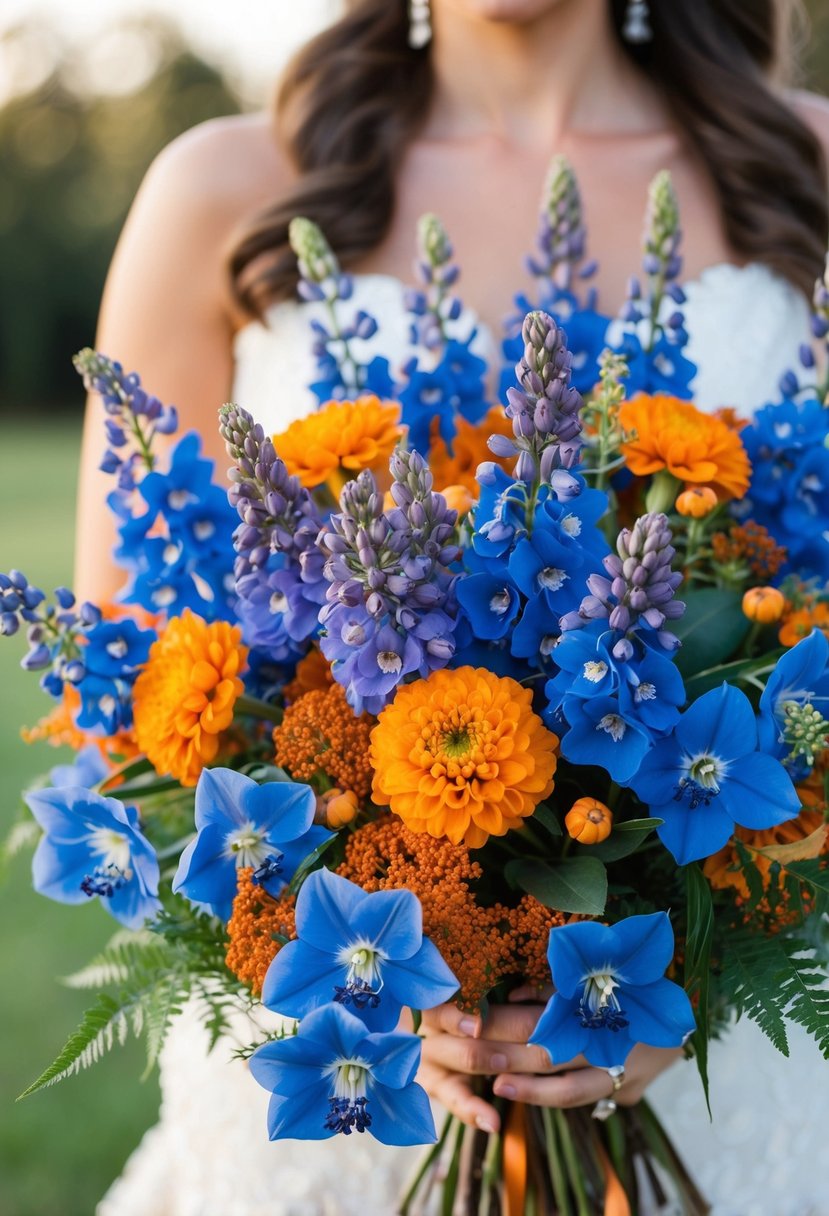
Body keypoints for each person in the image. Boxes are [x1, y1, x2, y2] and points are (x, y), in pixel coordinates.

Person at [78, 1, 829, 1213]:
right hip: (335, 1097)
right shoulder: (221, 185)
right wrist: (375, 978)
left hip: (719, 1091)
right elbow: (131, 694)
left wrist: (672, 977)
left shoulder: (808, 165)